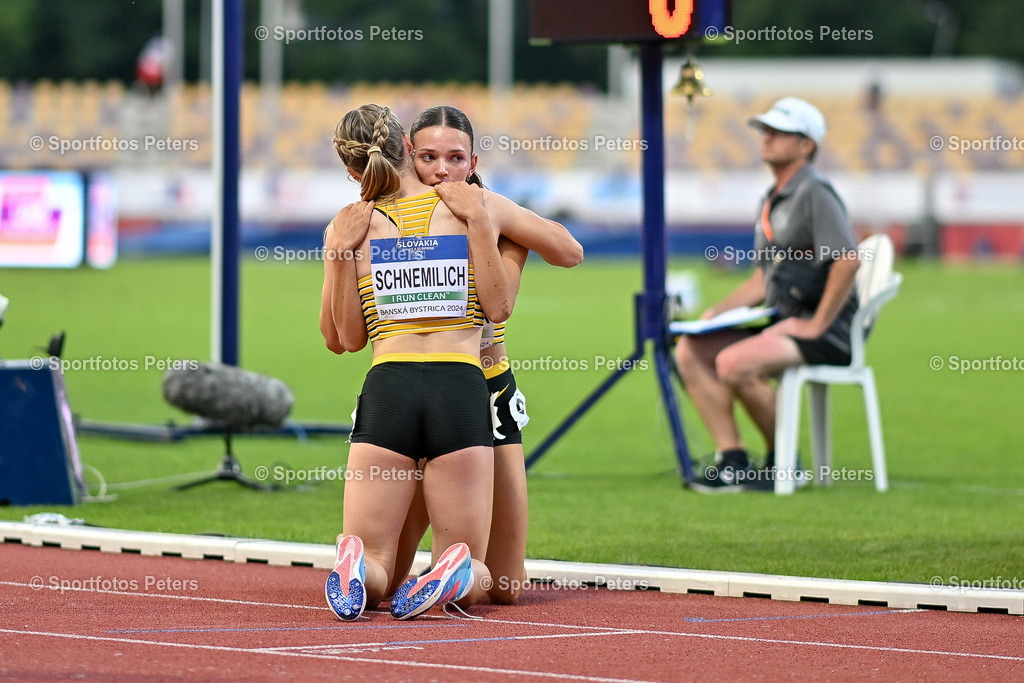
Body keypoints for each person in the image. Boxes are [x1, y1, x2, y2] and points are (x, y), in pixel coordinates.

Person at [319, 104, 580, 620]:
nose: (442, 170)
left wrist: (339, 253)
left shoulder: (470, 210)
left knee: (501, 583)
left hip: (412, 386)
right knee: (459, 562)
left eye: (455, 158)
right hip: (462, 391)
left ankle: (361, 559)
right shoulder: (475, 212)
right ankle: (451, 570)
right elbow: (500, 307)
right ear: (408, 153)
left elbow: (343, 338)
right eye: (430, 157)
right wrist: (482, 221)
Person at [674, 97, 861, 493]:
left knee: (734, 363)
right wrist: (715, 312)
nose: (767, 137)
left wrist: (816, 325)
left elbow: (847, 260)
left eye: (779, 132)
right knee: (691, 349)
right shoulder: (773, 196)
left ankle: (785, 463)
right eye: (766, 130)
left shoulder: (814, 191)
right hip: (786, 324)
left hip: (826, 331)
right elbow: (763, 279)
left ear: (806, 144)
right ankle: (734, 461)